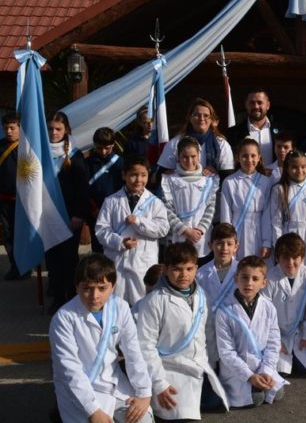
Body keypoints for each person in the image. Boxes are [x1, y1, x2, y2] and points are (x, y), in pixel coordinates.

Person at [50, 255, 153, 423]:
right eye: (87, 288)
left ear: (112, 287)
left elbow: (134, 352)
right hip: (79, 390)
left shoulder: (120, 307)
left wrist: (143, 393)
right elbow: (70, 370)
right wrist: (93, 411)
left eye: (102, 288)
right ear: (76, 287)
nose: (94, 296)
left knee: (143, 420)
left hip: (114, 384)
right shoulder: (63, 318)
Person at [136, 242, 228, 420]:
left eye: (189, 268)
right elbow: (145, 346)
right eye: (177, 269)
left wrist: (213, 364)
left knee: (216, 400)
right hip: (169, 371)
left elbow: (207, 332)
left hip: (198, 368)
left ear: (196, 267)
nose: (184, 275)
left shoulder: (201, 296)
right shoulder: (154, 301)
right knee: (182, 416)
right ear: (165, 269)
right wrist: (159, 384)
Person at [96, 156, 169, 305]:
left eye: (143, 175)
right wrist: (120, 242)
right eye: (134, 175)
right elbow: (101, 230)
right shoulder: (111, 201)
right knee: (116, 304)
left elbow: (163, 229)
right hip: (117, 261)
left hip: (143, 262)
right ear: (124, 175)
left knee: (142, 304)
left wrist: (139, 222)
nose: (138, 180)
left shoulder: (155, 203)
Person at [216, 256, 288, 408]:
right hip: (236, 371)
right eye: (244, 277)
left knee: (278, 393)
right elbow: (226, 352)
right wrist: (249, 376)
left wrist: (266, 371)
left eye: (255, 279)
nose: (249, 283)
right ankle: (249, 385)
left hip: (261, 366)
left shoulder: (268, 307)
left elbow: (273, 344)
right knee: (256, 398)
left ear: (264, 283)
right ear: (236, 279)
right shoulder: (224, 310)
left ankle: (264, 377)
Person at [47, 111, 89, 313]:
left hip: (69, 216)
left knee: (68, 259)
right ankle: (56, 297)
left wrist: (79, 215)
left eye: (58, 129)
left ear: (66, 131)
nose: (53, 132)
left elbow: (82, 188)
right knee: (52, 258)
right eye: (50, 129)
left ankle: (71, 298)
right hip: (47, 215)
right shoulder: (40, 151)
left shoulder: (74, 154)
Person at [262, 233, 306, 375]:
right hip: (277, 333)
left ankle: (296, 356)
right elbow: (264, 312)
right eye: (285, 258)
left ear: (302, 258)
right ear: (277, 258)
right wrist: (274, 340)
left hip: (299, 333)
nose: (290, 263)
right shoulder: (270, 277)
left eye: (295, 258)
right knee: (280, 371)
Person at [161, 136, 219, 261]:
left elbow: (210, 208)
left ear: (199, 155)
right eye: (185, 157)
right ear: (178, 157)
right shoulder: (169, 179)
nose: (189, 161)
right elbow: (167, 210)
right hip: (178, 237)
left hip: (201, 238)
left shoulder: (209, 180)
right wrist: (184, 230)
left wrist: (200, 230)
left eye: (193, 156)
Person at [270, 150, 306, 271]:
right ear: (287, 168)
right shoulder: (279, 189)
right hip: (288, 235)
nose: (300, 171)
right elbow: (276, 221)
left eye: (303, 167)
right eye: (294, 167)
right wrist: (279, 246)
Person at [196, 223, 240, 369]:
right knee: (211, 373)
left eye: (229, 244)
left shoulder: (242, 271)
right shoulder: (201, 274)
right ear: (210, 245)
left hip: (234, 329)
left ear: (236, 246)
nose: (224, 248)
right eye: (219, 244)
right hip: (209, 329)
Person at [220, 138, 273, 260]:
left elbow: (267, 214)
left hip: (259, 230)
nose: (249, 160)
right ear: (238, 157)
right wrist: (228, 242)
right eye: (245, 156)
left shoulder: (265, 182)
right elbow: (226, 215)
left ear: (259, 157)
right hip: (238, 232)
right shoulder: (229, 182)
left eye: (253, 156)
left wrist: (266, 242)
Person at [158, 97, 235, 177]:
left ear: (211, 120)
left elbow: (228, 177)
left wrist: (215, 173)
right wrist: (180, 171)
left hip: (212, 188)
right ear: (190, 118)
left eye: (206, 116)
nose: (201, 119)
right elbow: (162, 174)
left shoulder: (221, 144)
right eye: (196, 115)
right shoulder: (175, 143)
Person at [86, 127, 124, 254]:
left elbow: (124, 188)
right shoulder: (88, 163)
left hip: (116, 211)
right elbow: (84, 189)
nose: (103, 152)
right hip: (95, 211)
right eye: (99, 148)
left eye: (107, 148)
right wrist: (93, 209)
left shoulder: (120, 163)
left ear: (113, 145)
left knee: (114, 243)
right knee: (97, 244)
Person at [226, 89, 285, 166]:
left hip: (275, 177)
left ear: (268, 105)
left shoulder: (281, 130)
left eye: (260, 103)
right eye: (252, 103)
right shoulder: (234, 132)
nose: (256, 106)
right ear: (246, 105)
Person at [0, 111, 26, 280]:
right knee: (8, 234)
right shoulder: (0, 146)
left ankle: (24, 266)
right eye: (5, 128)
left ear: (19, 128)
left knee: (21, 235)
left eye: (12, 128)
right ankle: (15, 266)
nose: (8, 131)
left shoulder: (25, 147)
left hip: (21, 201)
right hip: (3, 200)